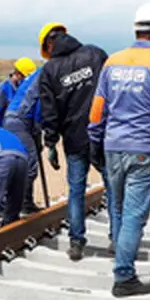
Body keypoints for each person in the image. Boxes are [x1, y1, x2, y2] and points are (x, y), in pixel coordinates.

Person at [89, 4, 150, 297]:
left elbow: (97, 109)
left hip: (113, 146)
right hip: (144, 148)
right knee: (133, 215)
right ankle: (123, 276)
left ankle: (122, 265)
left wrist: (95, 142)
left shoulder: (113, 62)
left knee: (117, 210)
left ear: (137, 29)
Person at [37, 22, 108, 260]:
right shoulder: (95, 53)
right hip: (104, 135)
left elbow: (50, 112)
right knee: (114, 187)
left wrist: (50, 143)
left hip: (74, 139)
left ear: (49, 44)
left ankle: (76, 242)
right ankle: (119, 239)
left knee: (76, 191)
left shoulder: (50, 70)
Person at [2, 65, 44, 214]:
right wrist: (38, 130)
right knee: (30, 166)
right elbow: (38, 107)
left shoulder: (39, 74)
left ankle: (25, 203)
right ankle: (15, 206)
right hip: (19, 122)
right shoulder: (46, 76)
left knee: (24, 164)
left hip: (19, 121)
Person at [0, 57, 37, 126]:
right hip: (5, 130)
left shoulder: (24, 89)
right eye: (26, 77)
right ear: (18, 74)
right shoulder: (2, 88)